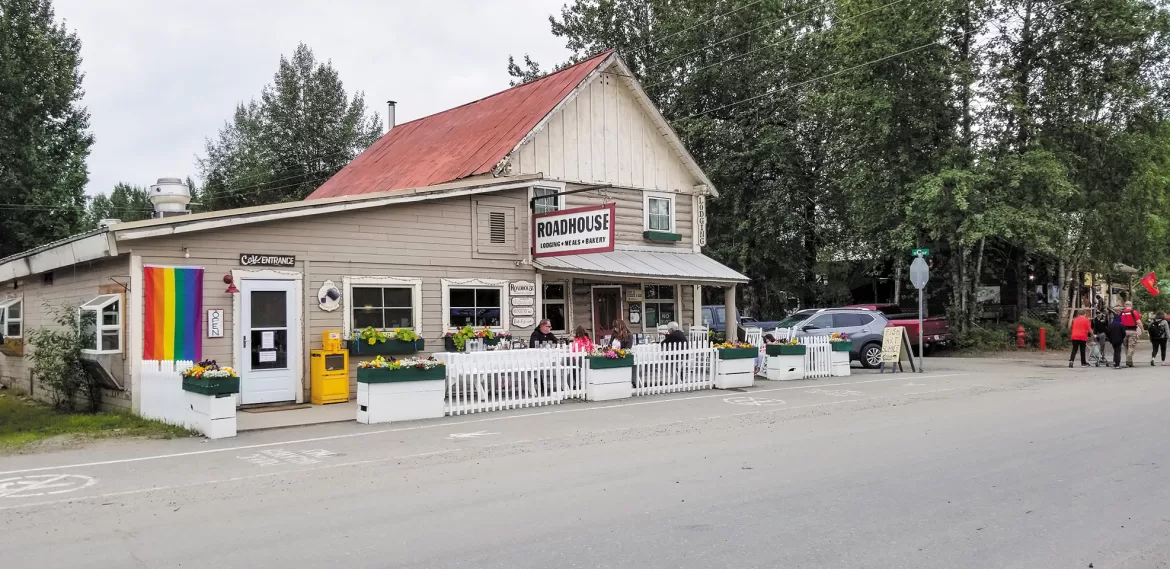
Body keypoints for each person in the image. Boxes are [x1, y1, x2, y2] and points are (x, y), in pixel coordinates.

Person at [1119, 301, 1143, 367]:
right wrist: (1142, 329)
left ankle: (1129, 361)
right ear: (1131, 305)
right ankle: (1129, 359)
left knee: (1126, 346)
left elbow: (1119, 322)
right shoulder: (1134, 312)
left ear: (1125, 305)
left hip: (1124, 332)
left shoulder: (1121, 313)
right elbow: (1138, 322)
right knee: (1131, 346)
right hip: (1132, 331)